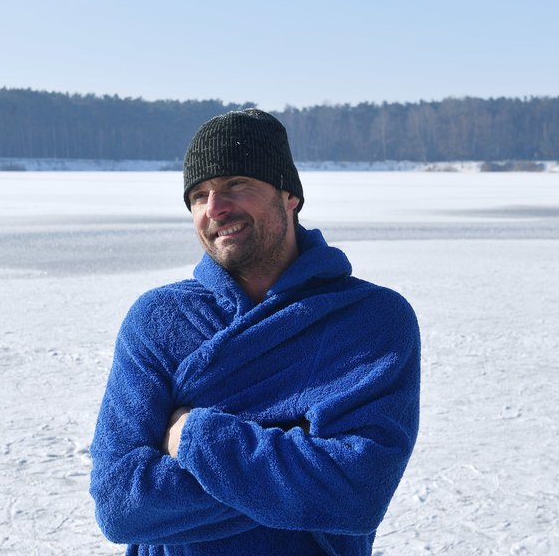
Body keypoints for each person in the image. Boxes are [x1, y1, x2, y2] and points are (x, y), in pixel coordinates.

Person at [89, 108, 420, 555]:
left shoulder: (369, 320)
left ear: (289, 195)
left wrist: (191, 437)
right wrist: (300, 460)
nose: (215, 208)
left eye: (235, 185)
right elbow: (121, 506)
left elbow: (355, 492)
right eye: (199, 194)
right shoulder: (158, 320)